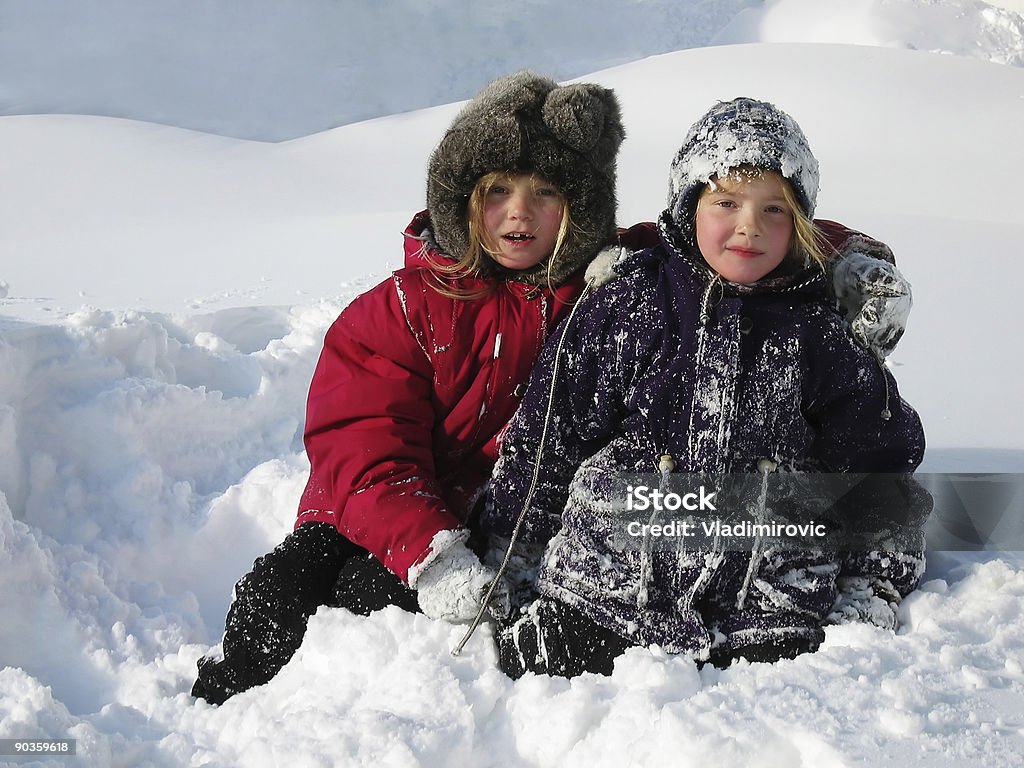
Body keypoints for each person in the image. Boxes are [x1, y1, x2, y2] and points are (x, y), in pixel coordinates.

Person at [191, 76, 914, 702]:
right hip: (392, 514)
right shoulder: (403, 308)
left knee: (375, 602)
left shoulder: (612, 281)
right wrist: (430, 550)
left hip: (504, 520)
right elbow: (360, 451)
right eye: (496, 191)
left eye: (546, 194)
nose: (518, 214)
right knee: (284, 594)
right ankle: (229, 711)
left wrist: (852, 263)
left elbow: (739, 226)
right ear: (459, 198)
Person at [483, 97, 931, 679]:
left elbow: (876, 456)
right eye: (727, 203)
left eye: (774, 209)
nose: (750, 225)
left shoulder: (816, 330)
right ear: (689, 204)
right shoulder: (630, 304)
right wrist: (512, 552)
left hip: (768, 599)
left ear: (799, 224)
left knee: (779, 710)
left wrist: (874, 581)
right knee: (545, 676)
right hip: (609, 586)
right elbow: (552, 432)